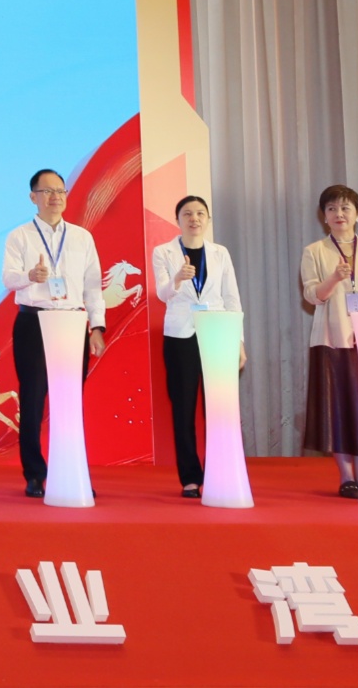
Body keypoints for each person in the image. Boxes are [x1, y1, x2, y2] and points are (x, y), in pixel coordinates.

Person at [0, 168, 108, 498]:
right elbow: (8, 278)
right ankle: (35, 474)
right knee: (32, 400)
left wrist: (97, 327)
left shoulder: (81, 237)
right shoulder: (19, 236)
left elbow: (93, 287)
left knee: (69, 401)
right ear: (33, 197)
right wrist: (30, 276)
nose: (55, 197)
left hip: (72, 324)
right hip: (34, 322)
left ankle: (71, 470)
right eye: (47, 191)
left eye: (60, 191)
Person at [298, 183, 358, 499]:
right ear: (324, 216)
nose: (338, 214)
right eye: (331, 209)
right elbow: (312, 295)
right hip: (331, 340)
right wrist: (335, 278)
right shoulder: (314, 251)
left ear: (357, 214)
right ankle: (346, 477)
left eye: (345, 208)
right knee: (338, 409)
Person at [149, 195, 246, 499]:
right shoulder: (163, 252)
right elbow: (163, 293)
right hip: (181, 336)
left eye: (200, 213)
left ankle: (219, 470)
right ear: (177, 219)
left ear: (207, 219)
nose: (194, 218)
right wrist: (178, 278)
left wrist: (239, 340)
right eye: (187, 214)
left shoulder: (220, 253)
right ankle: (190, 478)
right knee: (183, 408)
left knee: (218, 407)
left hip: (217, 332)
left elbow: (232, 298)